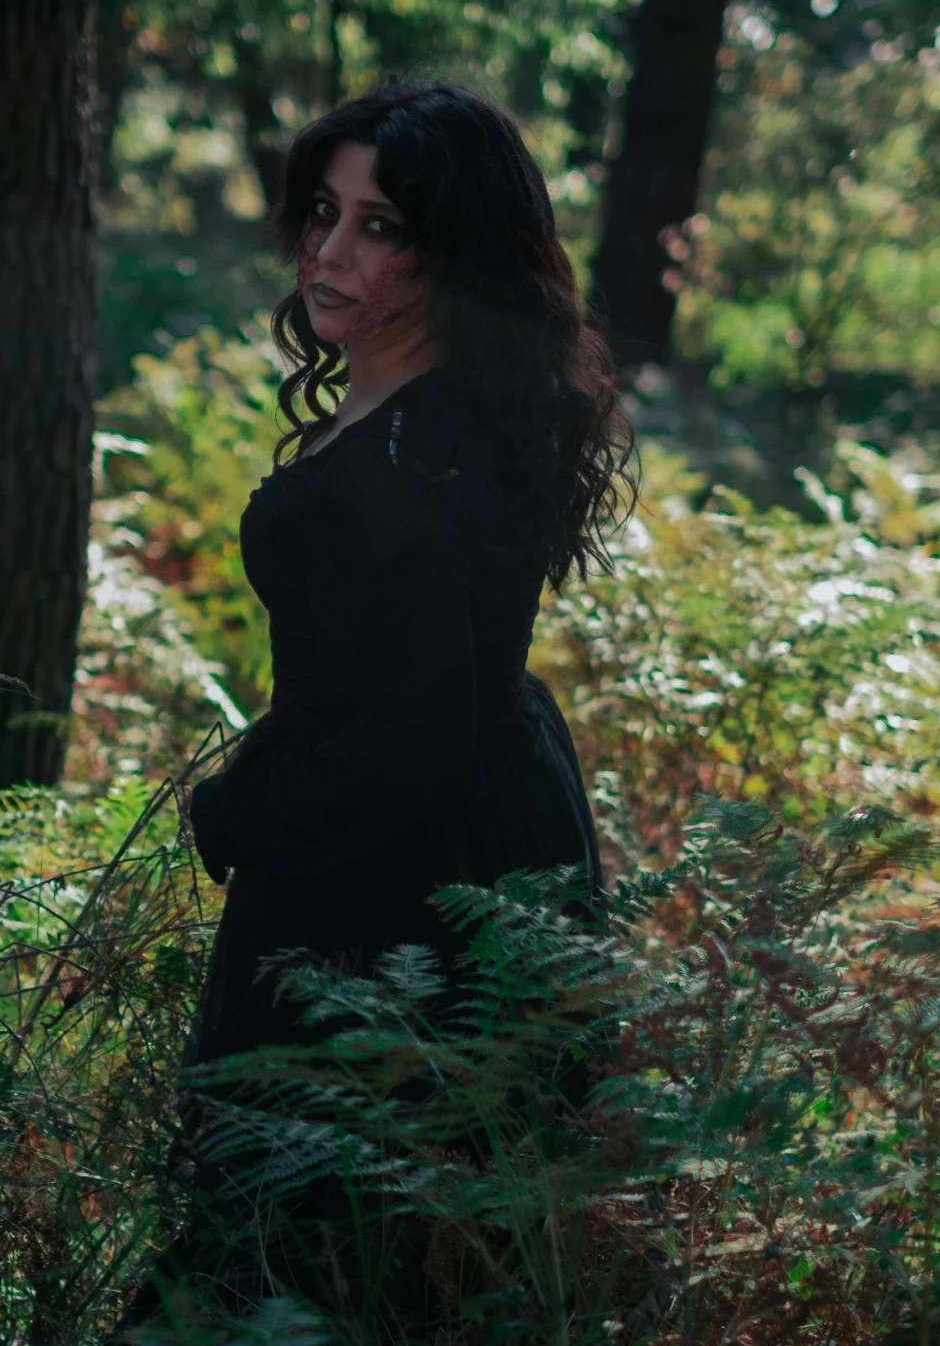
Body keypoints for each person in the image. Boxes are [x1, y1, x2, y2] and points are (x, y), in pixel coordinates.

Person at [185, 80, 634, 1072]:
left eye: (378, 225)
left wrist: (233, 809)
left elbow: (410, 734)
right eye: (323, 211)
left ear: (452, 252)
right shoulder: (460, 411)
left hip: (393, 865)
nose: (331, 250)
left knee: (344, 1197)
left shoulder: (402, 461)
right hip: (494, 800)